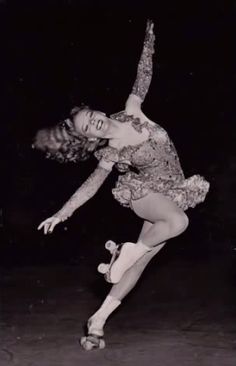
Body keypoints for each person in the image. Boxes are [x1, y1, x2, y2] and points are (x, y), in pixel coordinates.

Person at [34, 20, 209, 350]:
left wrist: (149, 38)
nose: (94, 121)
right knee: (177, 223)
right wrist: (63, 212)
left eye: (91, 115)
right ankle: (125, 255)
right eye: (88, 127)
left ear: (96, 109)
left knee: (140, 262)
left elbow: (144, 73)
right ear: (89, 137)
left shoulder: (132, 110)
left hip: (173, 189)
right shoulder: (112, 152)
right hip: (144, 193)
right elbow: (92, 185)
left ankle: (97, 321)